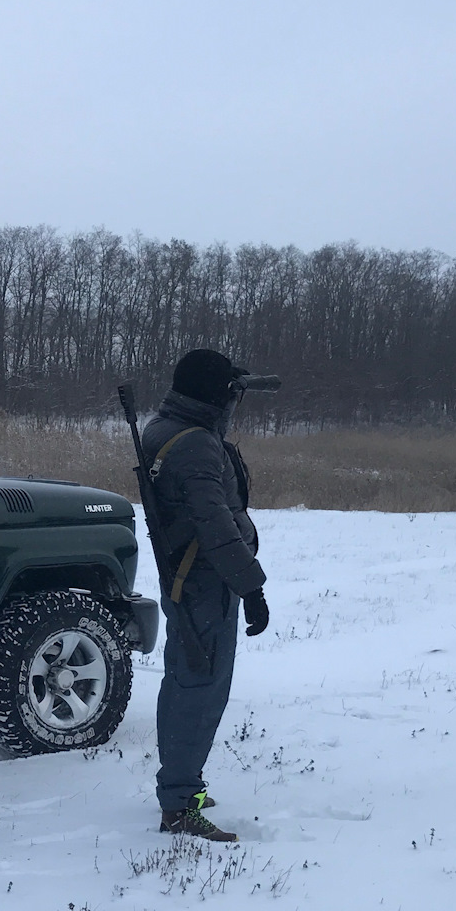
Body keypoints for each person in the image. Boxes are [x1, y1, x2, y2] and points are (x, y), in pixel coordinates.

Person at [142, 348, 270, 840]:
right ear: (216, 396)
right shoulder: (196, 445)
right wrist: (252, 587)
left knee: (183, 680)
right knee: (200, 688)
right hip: (204, 581)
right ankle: (179, 802)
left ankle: (179, 784)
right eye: (231, 393)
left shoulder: (167, 427)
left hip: (185, 578)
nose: (236, 402)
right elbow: (215, 527)